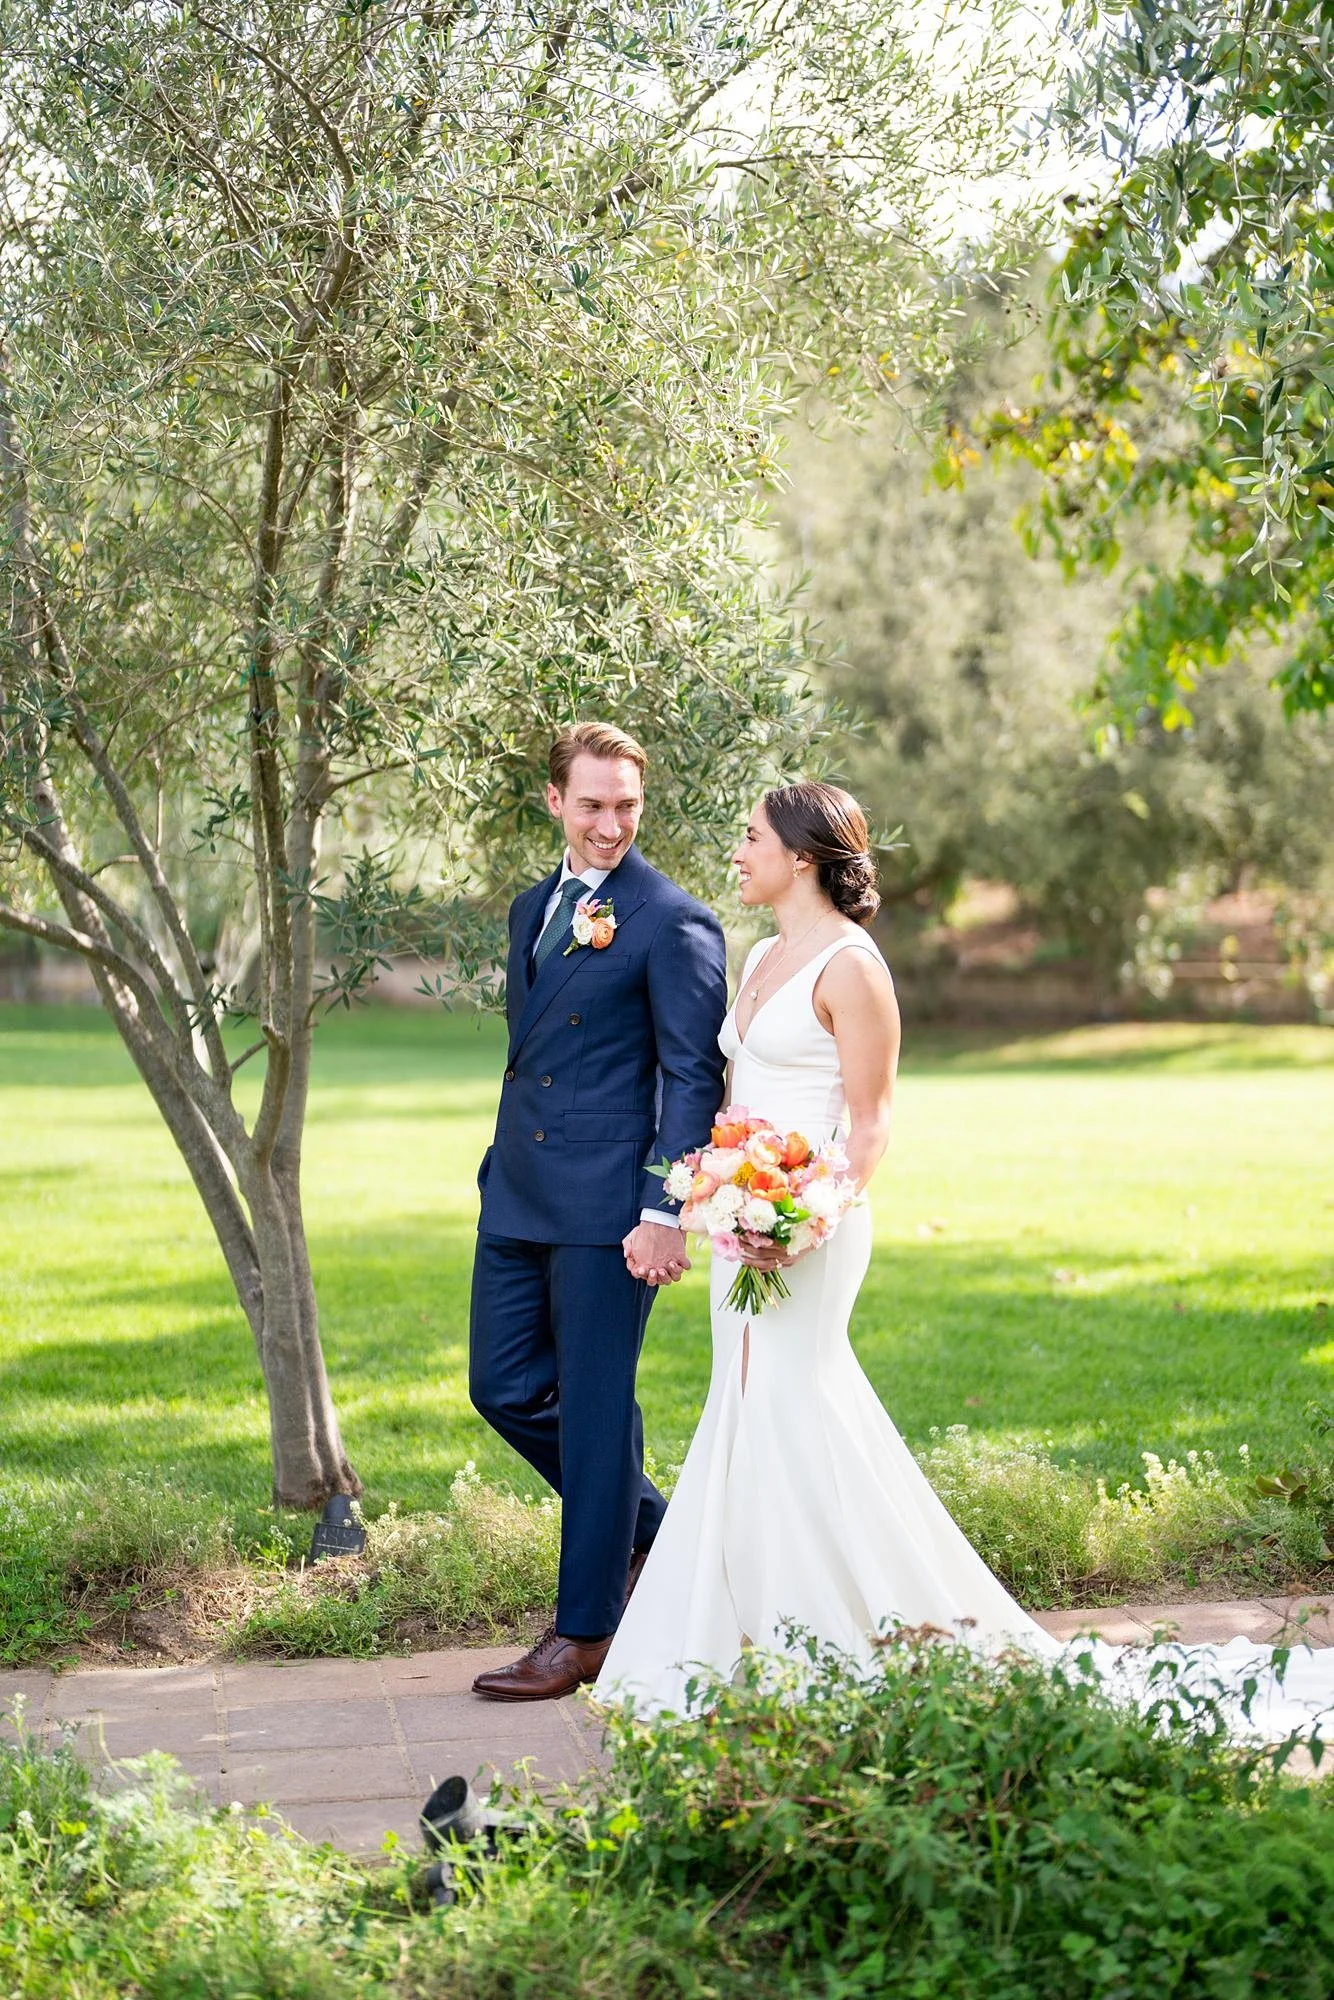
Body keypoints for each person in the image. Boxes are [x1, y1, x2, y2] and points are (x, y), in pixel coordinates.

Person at [596, 782, 1334, 1734]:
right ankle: (760, 1639)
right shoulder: (764, 956)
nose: (737, 853)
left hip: (809, 1226)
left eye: (750, 839)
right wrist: (719, 1198)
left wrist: (801, 1218)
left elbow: (870, 1127)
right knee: (747, 1412)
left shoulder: (854, 968)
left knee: (790, 1401)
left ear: (805, 857)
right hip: (744, 1218)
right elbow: (740, 1094)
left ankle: (851, 1636)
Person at [469, 721, 728, 1701]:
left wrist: (665, 1205)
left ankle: (584, 1632)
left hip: (610, 1208)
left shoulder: (670, 919)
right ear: (554, 803)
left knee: (589, 1412)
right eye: (591, 804)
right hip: (518, 1194)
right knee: (498, 1386)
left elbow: (689, 1072)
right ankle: (656, 1531)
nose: (610, 823)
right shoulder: (532, 906)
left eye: (625, 804)